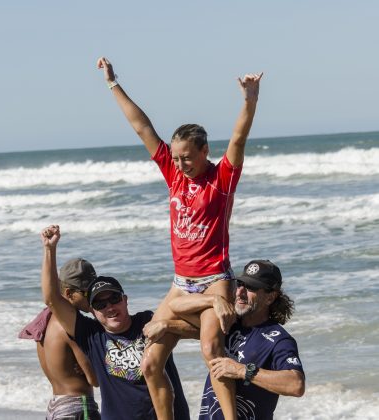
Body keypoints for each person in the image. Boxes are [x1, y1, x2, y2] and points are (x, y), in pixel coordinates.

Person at [97, 56, 263, 420]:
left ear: (204, 151)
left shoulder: (221, 181)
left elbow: (239, 137)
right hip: (180, 284)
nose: (181, 163)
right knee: (150, 362)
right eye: (177, 157)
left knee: (210, 349)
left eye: (188, 157)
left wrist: (249, 99)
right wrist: (113, 83)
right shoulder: (173, 174)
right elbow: (142, 127)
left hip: (214, 280)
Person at [40, 224, 195, 420]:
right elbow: (52, 298)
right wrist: (49, 249)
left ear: (125, 300)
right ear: (93, 310)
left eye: (114, 299)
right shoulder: (92, 336)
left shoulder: (148, 321)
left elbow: (201, 330)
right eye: (100, 304)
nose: (110, 307)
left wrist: (169, 325)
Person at [168, 259, 305, 419]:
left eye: (251, 288)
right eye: (240, 284)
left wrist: (241, 370)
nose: (240, 292)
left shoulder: (279, 340)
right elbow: (175, 305)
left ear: (270, 297)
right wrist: (213, 300)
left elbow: (296, 385)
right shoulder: (227, 321)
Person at [19, 258, 101, 419]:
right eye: (88, 293)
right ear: (69, 293)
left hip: (57, 405)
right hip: (79, 406)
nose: (94, 298)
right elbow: (94, 379)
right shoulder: (72, 327)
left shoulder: (44, 321)